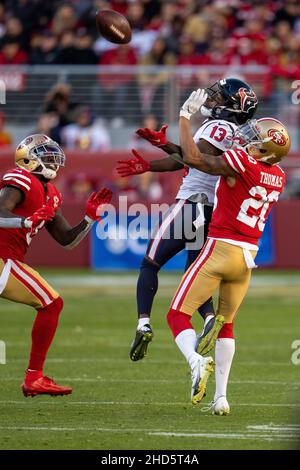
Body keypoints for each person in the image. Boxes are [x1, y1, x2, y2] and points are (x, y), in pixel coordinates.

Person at [116, 78, 258, 363]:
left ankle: (143, 323)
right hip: (213, 213)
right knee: (193, 274)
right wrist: (159, 153)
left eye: (219, 97)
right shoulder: (239, 134)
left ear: (231, 106)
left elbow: (194, 158)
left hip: (192, 205)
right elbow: (192, 157)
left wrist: (180, 123)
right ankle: (207, 320)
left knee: (150, 263)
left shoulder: (219, 127)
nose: (212, 100)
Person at [166, 88, 290, 413]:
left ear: (263, 147)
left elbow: (193, 158)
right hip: (247, 259)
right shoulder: (278, 175)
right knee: (228, 323)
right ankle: (221, 398)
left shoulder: (243, 162)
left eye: (255, 137)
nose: (247, 138)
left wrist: (183, 116)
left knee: (176, 314)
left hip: (221, 248)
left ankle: (195, 361)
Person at [0, 134, 112, 397]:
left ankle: (34, 378)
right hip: (3, 258)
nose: (53, 161)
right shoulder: (21, 179)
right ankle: (34, 378)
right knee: (52, 303)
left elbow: (66, 241)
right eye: (45, 155)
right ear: (28, 160)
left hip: (8, 260)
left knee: (52, 304)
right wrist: (25, 222)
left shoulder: (51, 194)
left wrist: (89, 218)